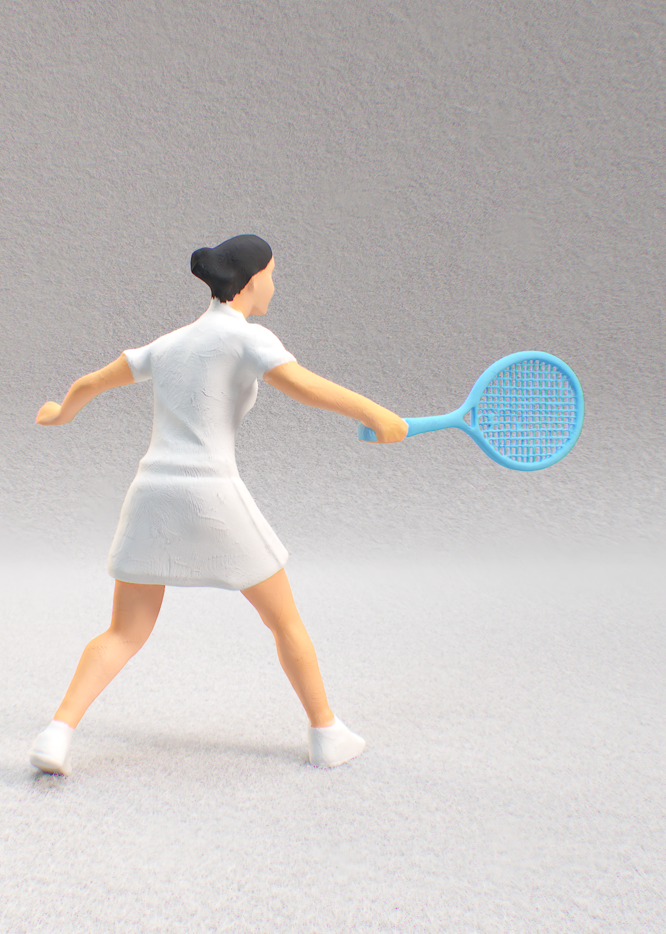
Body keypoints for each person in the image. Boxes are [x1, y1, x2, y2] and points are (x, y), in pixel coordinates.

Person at [28, 235, 408, 775]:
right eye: (272, 275)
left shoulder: (169, 343)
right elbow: (303, 386)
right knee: (285, 622)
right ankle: (326, 732)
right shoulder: (247, 338)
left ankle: (57, 732)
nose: (274, 286)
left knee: (123, 632)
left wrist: (60, 413)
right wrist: (376, 414)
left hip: (152, 492)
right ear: (251, 282)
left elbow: (93, 381)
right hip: (211, 493)